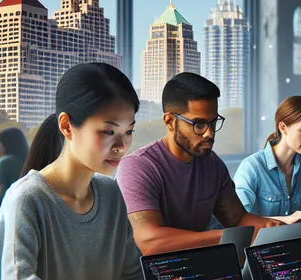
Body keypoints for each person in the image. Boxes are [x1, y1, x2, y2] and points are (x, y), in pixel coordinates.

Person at [0, 62, 150, 280]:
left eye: (128, 131)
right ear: (66, 126)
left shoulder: (111, 195)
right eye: (109, 131)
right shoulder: (27, 199)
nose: (122, 145)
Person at [117, 72, 279, 255]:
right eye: (199, 124)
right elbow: (149, 241)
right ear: (170, 122)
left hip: (200, 270)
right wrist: (227, 238)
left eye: (213, 122)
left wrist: (274, 229)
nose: (209, 133)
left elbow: (238, 220)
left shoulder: (212, 164)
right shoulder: (138, 167)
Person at [234, 96, 301, 224]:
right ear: (283, 127)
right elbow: (239, 220)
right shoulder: (251, 167)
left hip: (298, 241)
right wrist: (287, 220)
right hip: (261, 243)